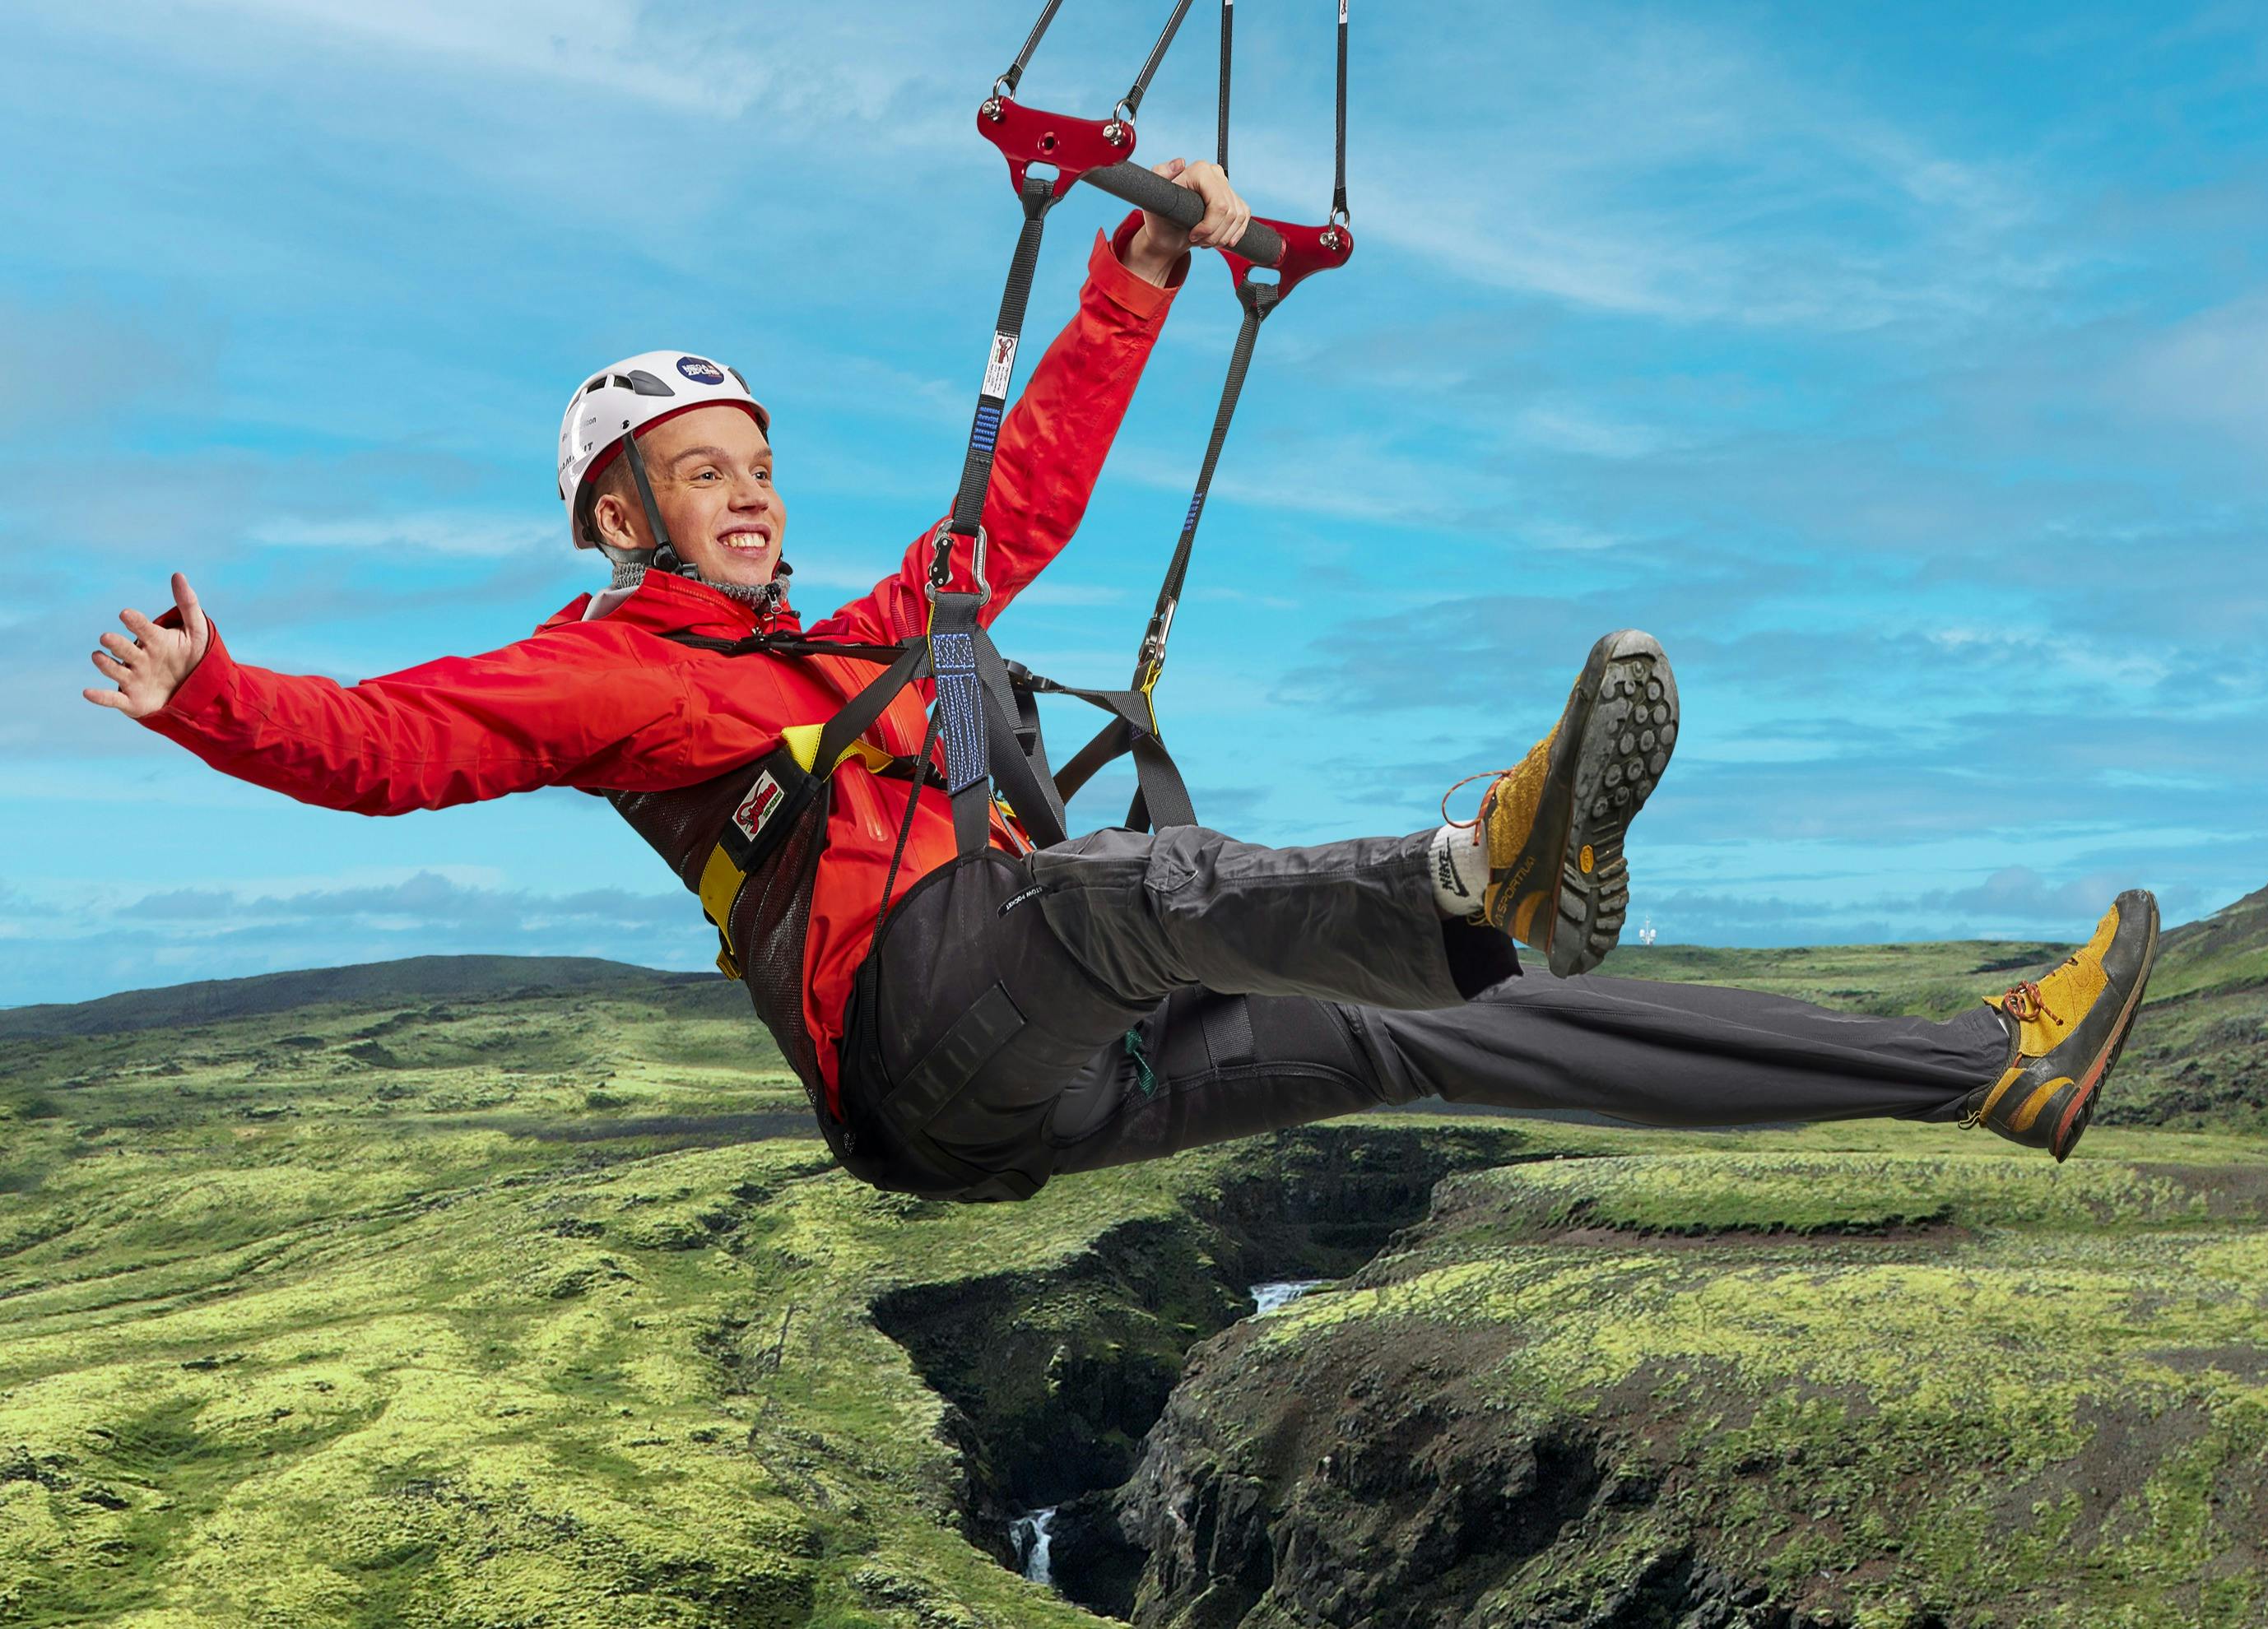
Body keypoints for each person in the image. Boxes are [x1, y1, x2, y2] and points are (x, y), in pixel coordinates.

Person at [83, 160, 2159, 1203]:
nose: (742, 492)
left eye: (754, 462)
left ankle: (1981, 1071)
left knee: (1465, 1034)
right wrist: (206, 691)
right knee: (1115, 894)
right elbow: (385, 747)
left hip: (1046, 1080)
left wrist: (1139, 264)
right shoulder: (608, 675)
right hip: (921, 1044)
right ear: (620, 520)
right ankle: (1463, 871)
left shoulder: (880, 620)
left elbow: (1027, 505)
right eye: (693, 476)